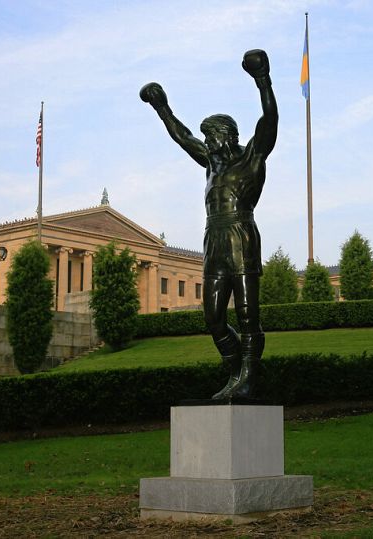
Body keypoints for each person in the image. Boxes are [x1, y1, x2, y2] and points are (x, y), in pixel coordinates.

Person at [140, 49, 278, 400]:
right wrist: (162, 107)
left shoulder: (252, 157)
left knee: (248, 315)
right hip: (213, 240)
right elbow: (181, 136)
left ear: (227, 135)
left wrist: (262, 78)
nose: (207, 141)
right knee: (214, 319)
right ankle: (237, 371)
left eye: (211, 135)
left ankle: (248, 374)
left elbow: (270, 120)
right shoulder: (211, 164)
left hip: (241, 235)